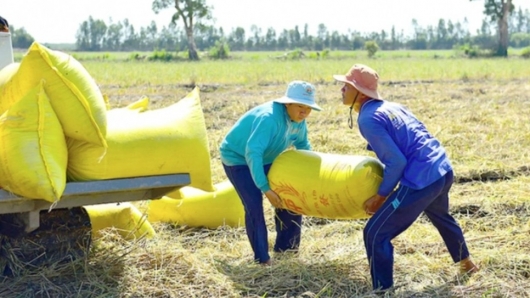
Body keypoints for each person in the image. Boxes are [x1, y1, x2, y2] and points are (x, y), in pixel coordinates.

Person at [333, 64, 479, 291]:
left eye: (347, 85)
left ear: (360, 93)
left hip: (421, 179)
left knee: (375, 233)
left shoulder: (368, 118)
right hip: (442, 168)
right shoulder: (392, 107)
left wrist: (381, 195)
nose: (342, 89)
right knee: (441, 216)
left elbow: (397, 162)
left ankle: (382, 291)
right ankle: (467, 263)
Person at [220, 80, 322, 266]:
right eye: (300, 106)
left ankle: (287, 250)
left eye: (308, 108)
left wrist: (315, 173)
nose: (304, 112)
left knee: (289, 197)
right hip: (238, 159)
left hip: (268, 157)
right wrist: (265, 188)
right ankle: (263, 260)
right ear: (287, 103)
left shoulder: (299, 121)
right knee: (254, 206)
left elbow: (303, 147)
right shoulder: (269, 119)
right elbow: (253, 152)